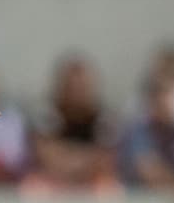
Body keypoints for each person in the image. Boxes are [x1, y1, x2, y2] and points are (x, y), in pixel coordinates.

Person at [31, 53, 119, 192]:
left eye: (81, 86)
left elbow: (105, 159)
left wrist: (74, 160)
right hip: (55, 178)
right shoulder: (48, 113)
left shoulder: (103, 116)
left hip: (91, 179)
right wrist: (79, 160)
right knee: (34, 188)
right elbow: (47, 156)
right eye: (72, 86)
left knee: (110, 189)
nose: (77, 92)